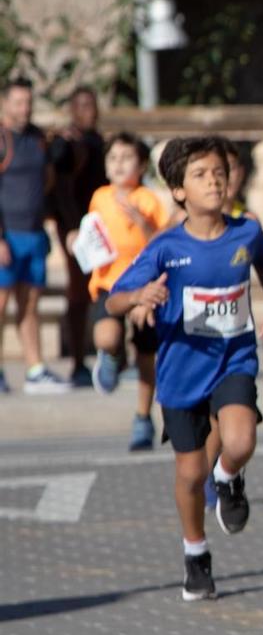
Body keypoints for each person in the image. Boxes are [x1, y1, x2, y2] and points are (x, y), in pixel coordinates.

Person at [107, 135, 263, 602]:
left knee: (240, 439)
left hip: (234, 358)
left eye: (219, 173)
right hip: (181, 372)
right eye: (201, 175)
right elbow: (115, 298)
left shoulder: (246, 233)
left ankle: (229, 476)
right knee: (190, 474)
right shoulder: (166, 248)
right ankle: (195, 553)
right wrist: (139, 298)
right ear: (179, 190)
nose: (214, 182)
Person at [73, 132, 171, 447]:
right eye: (113, 158)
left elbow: (161, 243)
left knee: (146, 355)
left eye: (126, 158)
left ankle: (143, 418)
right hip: (109, 283)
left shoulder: (148, 199)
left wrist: (142, 223)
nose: (119, 164)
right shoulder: (100, 196)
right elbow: (93, 235)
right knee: (106, 336)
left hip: (145, 287)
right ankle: (113, 356)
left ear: (141, 164)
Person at [1, 78, 68, 395]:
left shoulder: (38, 139)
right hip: (6, 234)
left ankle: (34, 368)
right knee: (0, 304)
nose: (24, 108)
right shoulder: (2, 139)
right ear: (4, 104)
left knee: (30, 306)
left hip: (33, 232)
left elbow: (48, 180)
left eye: (28, 102)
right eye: (17, 102)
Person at [48, 85, 107, 387]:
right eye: (82, 106)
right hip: (75, 226)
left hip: (101, 223)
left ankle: (109, 352)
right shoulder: (66, 144)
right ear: (72, 109)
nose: (88, 111)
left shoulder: (97, 141)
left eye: (92, 105)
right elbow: (59, 185)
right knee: (79, 290)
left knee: (107, 284)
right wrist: (71, 227)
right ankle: (78, 362)